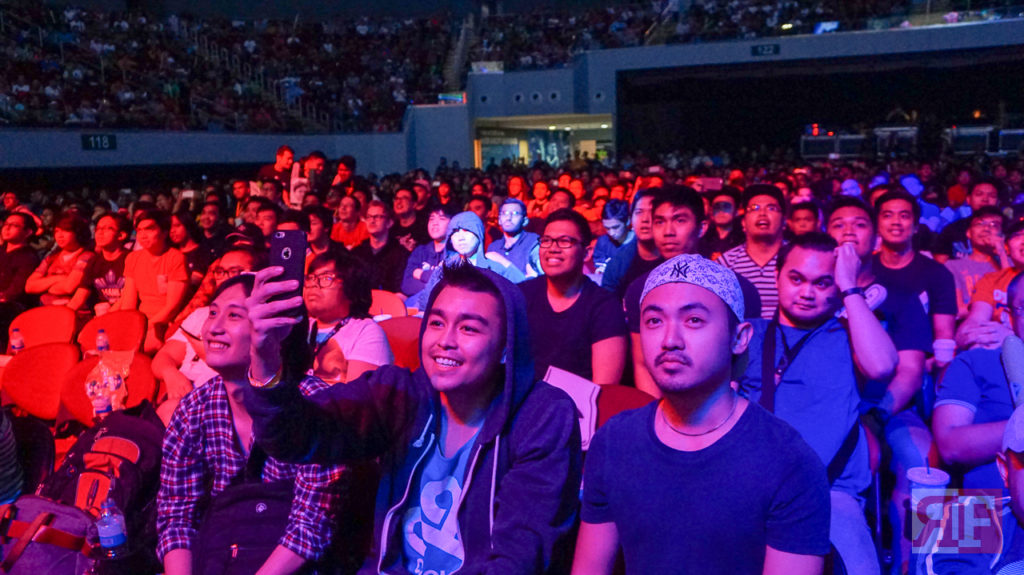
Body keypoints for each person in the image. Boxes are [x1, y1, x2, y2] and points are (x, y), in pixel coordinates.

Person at [243, 262, 582, 573]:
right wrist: (266, 358)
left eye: (469, 329)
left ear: (507, 347)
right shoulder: (401, 394)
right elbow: (292, 436)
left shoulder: (541, 416)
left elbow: (520, 557)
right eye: (436, 323)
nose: (445, 341)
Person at [572, 254, 831, 575]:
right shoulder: (614, 442)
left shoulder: (788, 462)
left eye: (694, 320)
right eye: (654, 321)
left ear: (739, 338)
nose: (670, 340)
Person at [156, 274, 348, 575]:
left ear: (273, 330)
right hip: (223, 555)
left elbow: (312, 524)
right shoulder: (194, 409)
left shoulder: (315, 405)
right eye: (213, 313)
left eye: (234, 315)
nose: (214, 328)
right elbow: (177, 516)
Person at [738, 232, 897, 575]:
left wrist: (850, 287)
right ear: (777, 276)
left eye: (822, 283)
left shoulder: (851, 333)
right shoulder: (751, 333)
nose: (807, 292)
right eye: (796, 279)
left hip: (830, 492)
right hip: (753, 490)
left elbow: (883, 366)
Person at [825, 197, 934, 574]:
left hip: (887, 407)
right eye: (838, 224)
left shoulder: (901, 298)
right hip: (826, 409)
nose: (848, 231)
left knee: (919, 459)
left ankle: (913, 563)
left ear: (875, 239)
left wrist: (876, 415)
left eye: (859, 224)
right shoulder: (815, 295)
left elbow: (910, 373)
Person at [519, 208, 628, 385]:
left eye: (565, 241)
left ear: (586, 253)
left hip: (579, 401)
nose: (553, 248)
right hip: (524, 398)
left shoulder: (604, 307)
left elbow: (605, 388)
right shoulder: (521, 295)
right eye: (546, 241)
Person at [151, 247, 259, 423]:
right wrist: (170, 373)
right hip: (177, 398)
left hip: (217, 409)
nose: (225, 277)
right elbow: (164, 356)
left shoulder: (256, 319)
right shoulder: (200, 314)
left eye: (234, 271)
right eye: (220, 271)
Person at [871, 189, 958, 363]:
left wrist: (938, 367)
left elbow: (944, 335)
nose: (896, 222)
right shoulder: (864, 270)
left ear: (916, 226)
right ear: (877, 225)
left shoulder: (938, 274)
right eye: (887, 215)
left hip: (921, 362)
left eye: (904, 216)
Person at [304, 249, 393, 384]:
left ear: (351, 287)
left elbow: (357, 395)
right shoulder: (298, 327)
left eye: (326, 278)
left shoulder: (366, 332)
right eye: (311, 278)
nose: (313, 285)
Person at [116, 210, 188, 353]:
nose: (143, 235)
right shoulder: (133, 258)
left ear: (164, 232)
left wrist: (143, 328)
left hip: (163, 324)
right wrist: (128, 327)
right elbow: (128, 302)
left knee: (135, 348)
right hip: (140, 321)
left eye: (149, 229)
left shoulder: (176, 258)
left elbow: (172, 308)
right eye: (139, 230)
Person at [718, 184, 787, 319]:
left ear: (784, 221)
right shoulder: (725, 264)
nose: (762, 214)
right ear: (743, 222)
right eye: (754, 208)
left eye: (771, 208)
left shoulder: (797, 258)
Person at [957, 219, 1024, 350]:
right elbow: (976, 319)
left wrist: (1011, 338)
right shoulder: (992, 280)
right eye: (1018, 235)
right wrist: (972, 335)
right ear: (1006, 248)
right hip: (997, 349)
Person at [944, 206, 1009, 316]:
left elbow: (1014, 299)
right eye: (980, 224)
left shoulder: (1012, 263)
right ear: (968, 233)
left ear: (1002, 235)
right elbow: (958, 310)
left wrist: (1002, 253)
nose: (986, 228)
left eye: (994, 225)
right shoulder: (953, 266)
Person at [25, 212, 94, 311]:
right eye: (57, 231)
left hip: (70, 312)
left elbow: (69, 287)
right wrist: (59, 278)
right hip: (44, 310)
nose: (60, 235)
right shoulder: (51, 258)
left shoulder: (86, 256)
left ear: (77, 232)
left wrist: (45, 285)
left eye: (66, 231)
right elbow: (29, 286)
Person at [601, 189, 660, 296]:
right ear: (631, 218)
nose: (645, 219)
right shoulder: (617, 264)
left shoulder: (678, 257)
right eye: (639, 212)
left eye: (652, 212)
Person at [934, 179, 1001, 262]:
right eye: (979, 194)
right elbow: (940, 263)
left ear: (998, 201)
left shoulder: (1007, 230)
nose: (985, 199)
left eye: (992, 196)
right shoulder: (952, 230)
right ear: (968, 199)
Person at [350, 200, 409, 293]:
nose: (372, 220)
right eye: (369, 217)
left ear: (389, 223)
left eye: (377, 217)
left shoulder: (400, 254)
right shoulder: (357, 253)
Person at [0, 212, 39, 350]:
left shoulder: (28, 257)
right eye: (6, 224)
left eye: (14, 225)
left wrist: (4, 296)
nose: (7, 228)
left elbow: (17, 289)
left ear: (28, 232)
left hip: (13, 305)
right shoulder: (1, 251)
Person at [402, 201, 456, 297]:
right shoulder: (420, 251)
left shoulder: (455, 252)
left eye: (441, 218)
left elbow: (450, 286)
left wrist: (421, 274)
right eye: (432, 219)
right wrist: (435, 282)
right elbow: (406, 285)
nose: (435, 223)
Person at [82, 212, 130, 315]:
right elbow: (80, 295)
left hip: (124, 314)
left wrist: (107, 316)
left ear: (121, 235)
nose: (100, 233)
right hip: (98, 315)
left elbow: (129, 298)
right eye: (98, 229)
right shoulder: (94, 261)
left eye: (107, 229)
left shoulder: (131, 259)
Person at [486, 198, 541, 279]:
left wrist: (503, 262)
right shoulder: (493, 247)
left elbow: (534, 279)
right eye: (505, 213)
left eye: (515, 213)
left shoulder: (533, 241)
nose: (508, 218)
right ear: (499, 220)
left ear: (525, 220)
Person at [697, 186, 744, 260]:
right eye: (717, 207)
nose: (721, 211)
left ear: (736, 211)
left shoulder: (744, 240)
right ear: (711, 211)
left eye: (726, 207)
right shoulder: (701, 239)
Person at [592, 199, 632, 278]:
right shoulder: (602, 242)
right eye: (607, 228)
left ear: (628, 221)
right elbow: (599, 268)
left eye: (615, 227)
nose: (611, 233)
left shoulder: (640, 242)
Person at [390, 185, 429, 251]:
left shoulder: (425, 227)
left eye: (404, 198)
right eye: (396, 198)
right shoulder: (391, 230)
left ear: (414, 204)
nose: (398, 202)